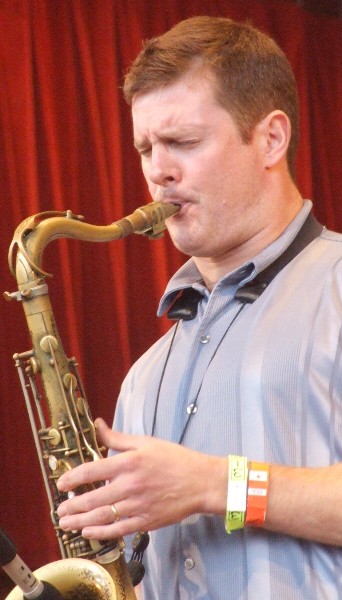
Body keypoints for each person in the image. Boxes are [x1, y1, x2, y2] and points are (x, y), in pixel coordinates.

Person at [56, 15, 342, 599]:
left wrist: (218, 485)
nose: (158, 171)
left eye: (183, 142)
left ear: (271, 138)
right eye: (145, 148)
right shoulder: (143, 377)